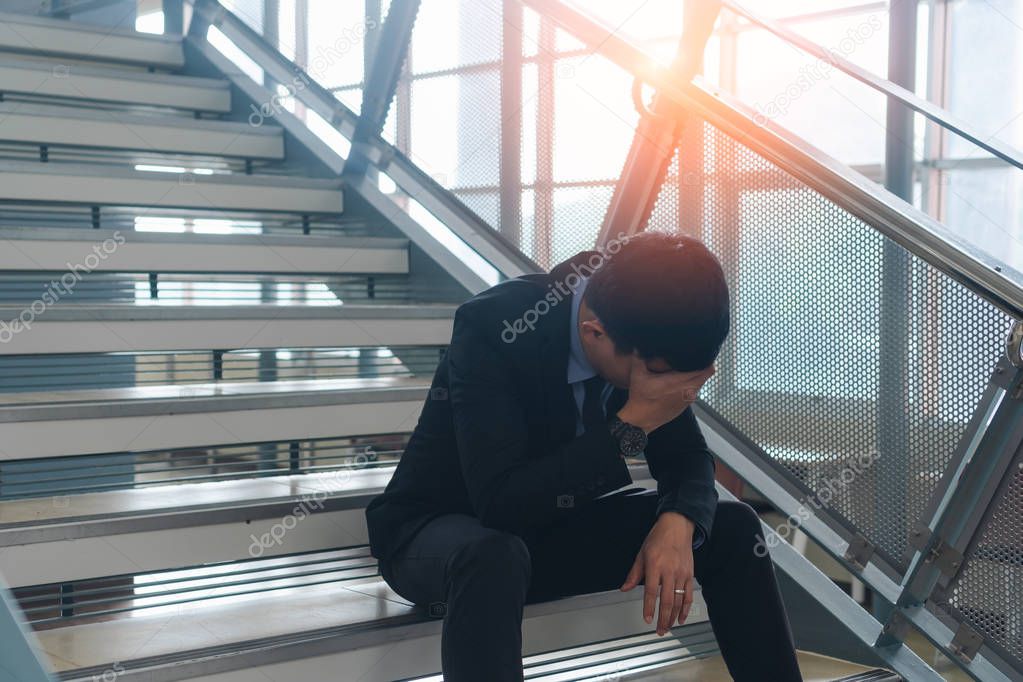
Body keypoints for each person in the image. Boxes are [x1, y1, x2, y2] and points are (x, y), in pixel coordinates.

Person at [365, 231, 802, 681]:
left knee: (733, 527)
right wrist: (630, 425)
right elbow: (500, 503)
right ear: (595, 334)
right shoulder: (495, 326)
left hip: (548, 530)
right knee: (493, 554)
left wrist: (677, 521)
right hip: (440, 535)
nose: (671, 392)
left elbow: (687, 456)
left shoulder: (643, 317)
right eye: (660, 377)